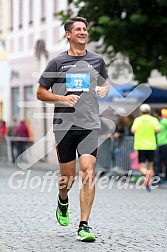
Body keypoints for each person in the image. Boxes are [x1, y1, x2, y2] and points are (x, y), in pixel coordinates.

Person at [37, 16, 109, 242]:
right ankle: (62, 199)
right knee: (67, 178)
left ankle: (84, 225)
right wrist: (61, 98)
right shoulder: (57, 63)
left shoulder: (97, 60)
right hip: (64, 126)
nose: (83, 32)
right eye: (78, 29)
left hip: (89, 124)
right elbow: (40, 92)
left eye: (85, 29)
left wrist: (104, 89)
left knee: (88, 171)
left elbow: (104, 83)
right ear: (68, 34)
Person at [131, 104, 161, 191]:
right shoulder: (153, 119)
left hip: (140, 145)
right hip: (151, 145)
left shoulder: (138, 120)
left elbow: (133, 130)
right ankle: (148, 182)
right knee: (150, 165)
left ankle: (146, 176)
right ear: (149, 111)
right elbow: (158, 129)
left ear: (141, 111)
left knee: (142, 167)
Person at [154, 109, 167, 183]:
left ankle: (166, 178)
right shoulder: (156, 122)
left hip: (164, 144)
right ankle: (156, 177)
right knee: (157, 162)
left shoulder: (164, 121)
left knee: (165, 162)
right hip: (157, 144)